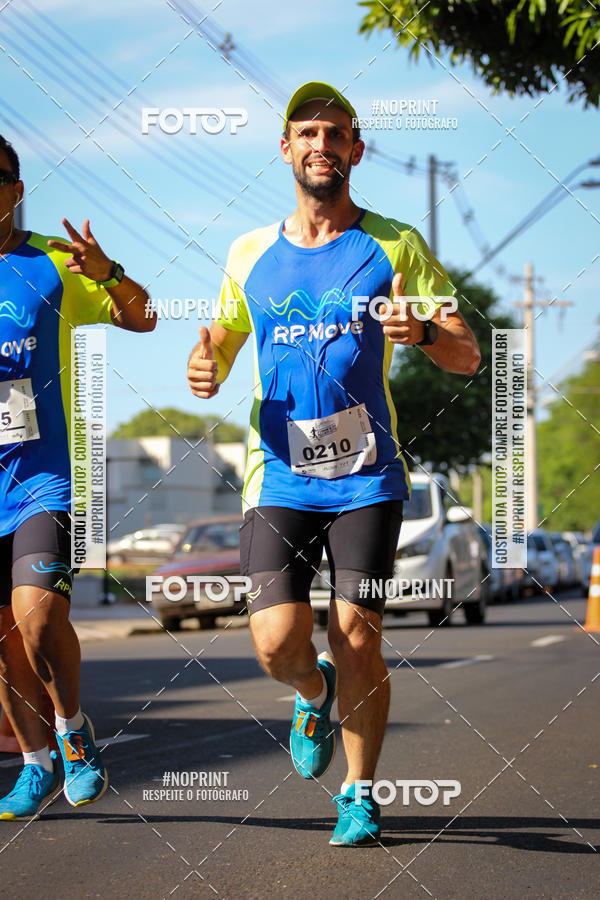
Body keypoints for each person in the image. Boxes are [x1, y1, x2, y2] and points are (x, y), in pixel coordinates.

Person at [187, 82, 480, 847]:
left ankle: (359, 793)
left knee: (358, 633)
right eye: (308, 133)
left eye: (335, 133)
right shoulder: (249, 252)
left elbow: (469, 355)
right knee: (275, 642)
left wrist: (423, 333)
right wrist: (204, 363)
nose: (322, 145)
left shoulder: (394, 245)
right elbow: (219, 342)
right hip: (279, 474)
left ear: (356, 149)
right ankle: (311, 691)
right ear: (286, 148)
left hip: (367, 478)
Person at [0, 134, 156, 821]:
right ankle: (34, 764)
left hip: (44, 479)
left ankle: (72, 734)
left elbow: (143, 317)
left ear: (16, 189)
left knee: (38, 619)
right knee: (3, 641)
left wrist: (110, 271)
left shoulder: (53, 264)